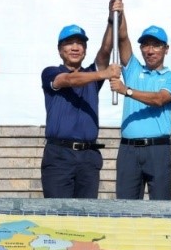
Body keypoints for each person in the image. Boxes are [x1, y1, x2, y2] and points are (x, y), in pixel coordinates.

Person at [106, 0, 171, 200]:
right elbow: (123, 38)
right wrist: (119, 4)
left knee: (160, 208)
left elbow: (160, 99)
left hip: (157, 150)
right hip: (128, 150)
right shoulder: (133, 70)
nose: (150, 50)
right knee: (125, 207)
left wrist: (126, 91)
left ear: (166, 49)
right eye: (146, 45)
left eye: (156, 45)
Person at [40, 20, 122, 199]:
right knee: (58, 211)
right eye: (69, 43)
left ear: (85, 50)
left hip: (88, 157)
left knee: (86, 213)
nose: (75, 47)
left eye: (80, 43)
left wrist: (111, 19)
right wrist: (105, 73)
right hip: (59, 156)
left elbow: (105, 50)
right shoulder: (50, 72)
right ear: (60, 49)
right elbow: (69, 80)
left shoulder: (92, 77)